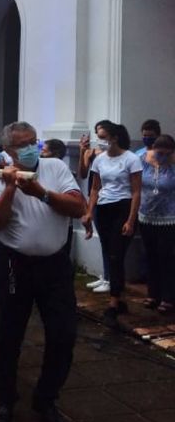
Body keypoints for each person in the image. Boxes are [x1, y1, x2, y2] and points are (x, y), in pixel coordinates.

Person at [0, 121, 86, 422]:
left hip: (54, 266)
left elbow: (78, 207)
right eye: (22, 145)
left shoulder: (55, 167)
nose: (30, 148)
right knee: (8, 336)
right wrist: (12, 188)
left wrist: (41, 193)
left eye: (34, 141)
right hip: (16, 264)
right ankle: (4, 398)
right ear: (8, 151)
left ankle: (46, 398)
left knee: (63, 334)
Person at [82, 121, 142, 325]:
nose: (100, 141)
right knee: (110, 253)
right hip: (104, 208)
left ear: (114, 138)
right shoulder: (99, 160)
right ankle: (120, 297)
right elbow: (95, 189)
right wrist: (90, 212)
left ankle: (113, 303)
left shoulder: (131, 159)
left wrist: (131, 219)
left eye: (103, 136)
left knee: (117, 255)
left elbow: (135, 191)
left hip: (122, 207)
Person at [137, 134, 175, 313]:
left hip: (169, 218)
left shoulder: (173, 166)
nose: (163, 157)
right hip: (146, 216)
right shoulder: (142, 160)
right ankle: (153, 293)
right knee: (150, 255)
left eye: (167, 154)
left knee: (166, 257)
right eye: (160, 153)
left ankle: (168, 297)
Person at [78, 120, 112, 292]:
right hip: (95, 198)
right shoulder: (92, 153)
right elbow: (83, 174)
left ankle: (110, 278)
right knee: (104, 240)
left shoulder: (115, 155)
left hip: (111, 200)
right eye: (99, 136)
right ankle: (106, 276)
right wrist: (83, 152)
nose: (101, 140)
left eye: (104, 136)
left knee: (110, 241)